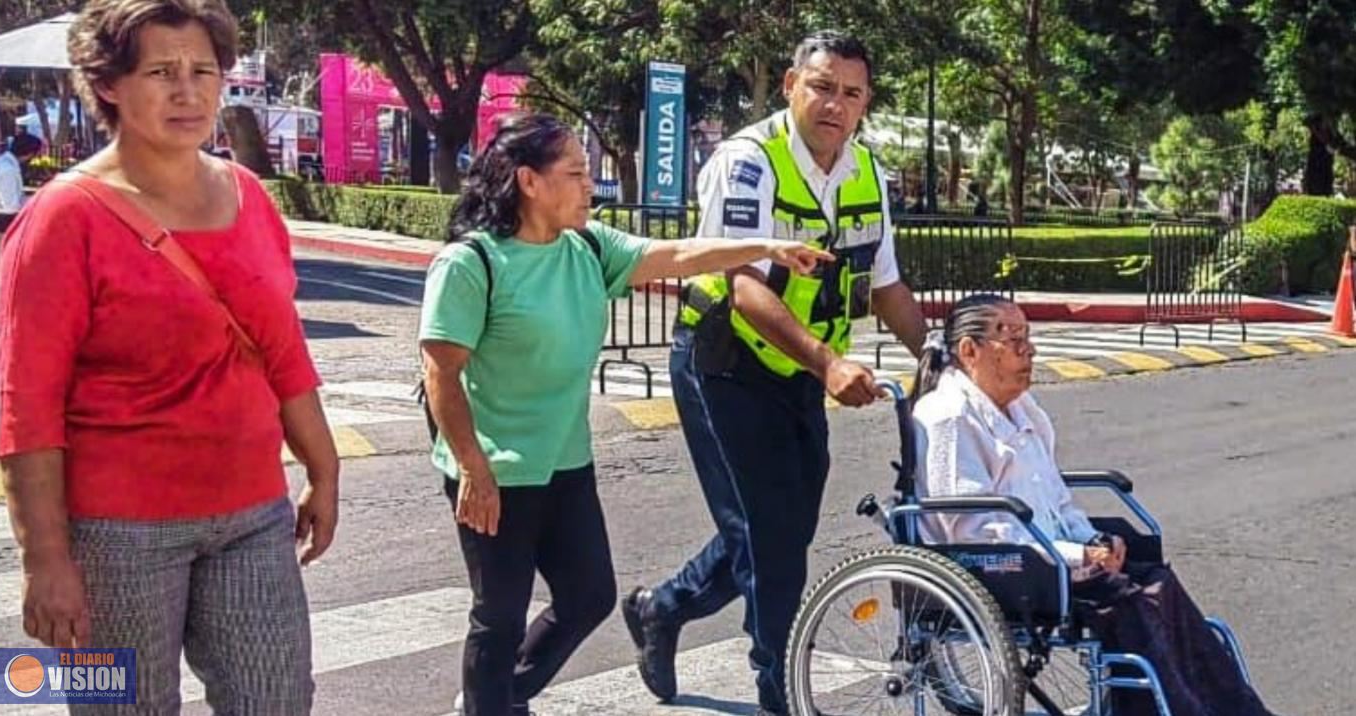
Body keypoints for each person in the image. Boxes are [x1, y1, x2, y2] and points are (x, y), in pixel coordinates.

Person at [419, 111, 832, 716]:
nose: (591, 186)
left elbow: (683, 253)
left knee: (588, 596)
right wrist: (472, 467)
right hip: (494, 469)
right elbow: (441, 372)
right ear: (528, 181)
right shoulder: (472, 264)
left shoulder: (588, 247)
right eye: (576, 173)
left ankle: (500, 695)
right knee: (499, 615)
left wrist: (767, 244)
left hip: (564, 461)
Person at [0, 1, 339, 713]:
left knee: (277, 700)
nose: (188, 92)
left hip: (252, 516)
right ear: (110, 84)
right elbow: (28, 407)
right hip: (112, 534)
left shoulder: (247, 195)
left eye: (202, 71)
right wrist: (45, 561)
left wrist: (323, 467)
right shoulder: (61, 219)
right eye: (160, 72)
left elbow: (283, 352)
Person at [621, 30, 928, 716]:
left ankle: (662, 607)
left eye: (851, 93)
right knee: (769, 541)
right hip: (725, 362)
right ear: (792, 84)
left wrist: (933, 355)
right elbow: (746, 290)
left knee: (783, 531)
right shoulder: (748, 162)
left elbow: (887, 286)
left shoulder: (866, 173)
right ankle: (778, 687)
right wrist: (828, 363)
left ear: (865, 103)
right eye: (821, 86)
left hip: (800, 371)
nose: (834, 105)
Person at [910, 294, 1280, 716]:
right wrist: (1074, 555)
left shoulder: (1023, 410)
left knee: (1157, 580)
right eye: (1011, 338)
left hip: (1048, 557)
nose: (1027, 350)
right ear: (969, 351)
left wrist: (1094, 539)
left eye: (1027, 337)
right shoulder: (948, 416)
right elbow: (972, 527)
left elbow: (1057, 499)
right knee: (1134, 600)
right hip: (1002, 564)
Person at [0, 132, 43, 219]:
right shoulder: (8, 170)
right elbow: (11, 207)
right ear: (30, 154)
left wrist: (37, 199)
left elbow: (17, 198)